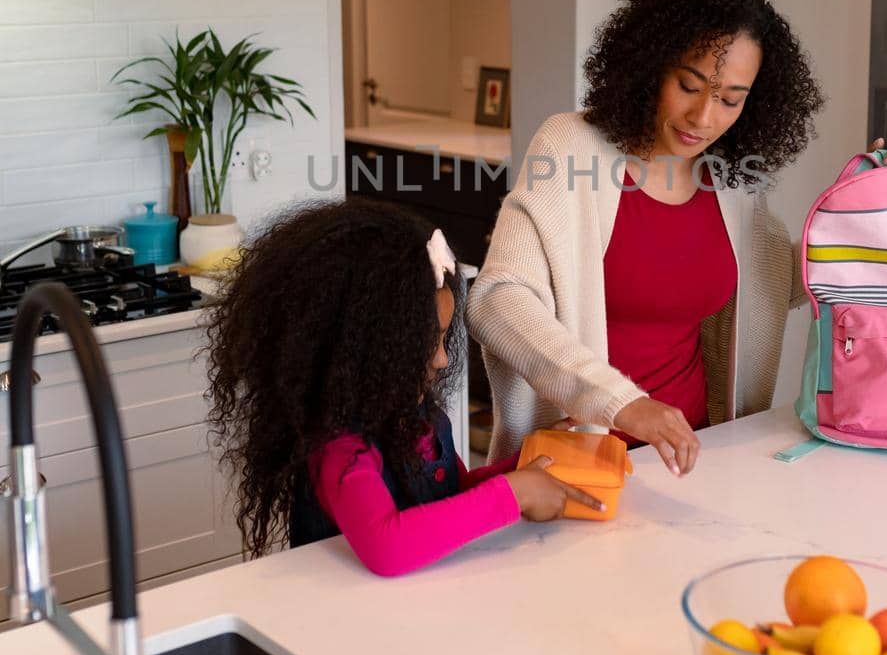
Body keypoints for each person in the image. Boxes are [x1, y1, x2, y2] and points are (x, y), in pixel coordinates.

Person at [467, 0, 887, 475]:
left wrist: (874, 206)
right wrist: (619, 402)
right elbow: (497, 301)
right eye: (689, 87)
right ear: (650, 65)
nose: (704, 118)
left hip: (697, 461)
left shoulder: (733, 181)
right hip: (578, 465)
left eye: (730, 99)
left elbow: (774, 284)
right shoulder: (570, 148)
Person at [206, 200, 604, 576]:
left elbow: (448, 494)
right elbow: (386, 545)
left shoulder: (421, 417)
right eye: (424, 343)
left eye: (444, 338)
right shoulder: (340, 448)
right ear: (362, 350)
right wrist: (512, 495)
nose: (442, 360)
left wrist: (523, 468)